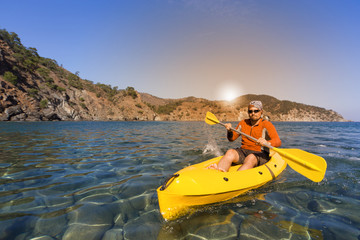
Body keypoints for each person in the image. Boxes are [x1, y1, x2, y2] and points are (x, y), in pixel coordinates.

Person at [208, 100, 281, 172]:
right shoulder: (243, 123)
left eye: (256, 111)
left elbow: (278, 141)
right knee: (230, 152)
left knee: (250, 158)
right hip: (244, 151)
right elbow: (232, 139)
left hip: (260, 153)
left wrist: (267, 143)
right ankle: (219, 171)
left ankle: (235, 178)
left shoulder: (267, 124)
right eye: (250, 111)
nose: (253, 113)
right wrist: (229, 131)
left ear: (261, 111)